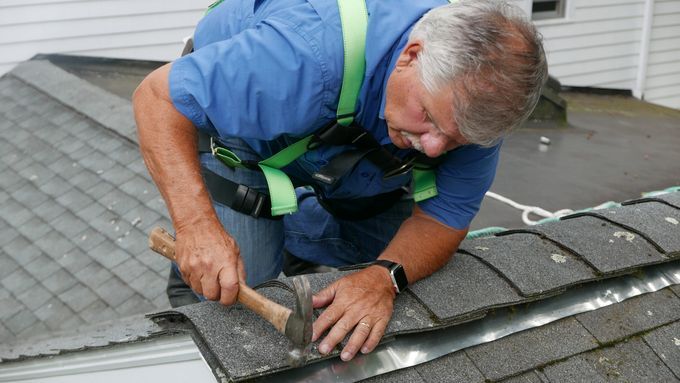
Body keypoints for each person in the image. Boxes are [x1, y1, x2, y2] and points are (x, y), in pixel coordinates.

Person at [133, 0, 547, 362]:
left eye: (455, 140)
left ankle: (290, 237)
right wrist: (197, 228)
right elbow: (157, 99)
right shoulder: (302, 54)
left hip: (344, 142)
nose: (435, 149)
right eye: (430, 120)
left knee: (418, 269)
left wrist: (383, 276)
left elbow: (446, 217)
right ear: (411, 55)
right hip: (243, 129)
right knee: (233, 306)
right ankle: (213, 260)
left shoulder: (475, 108)